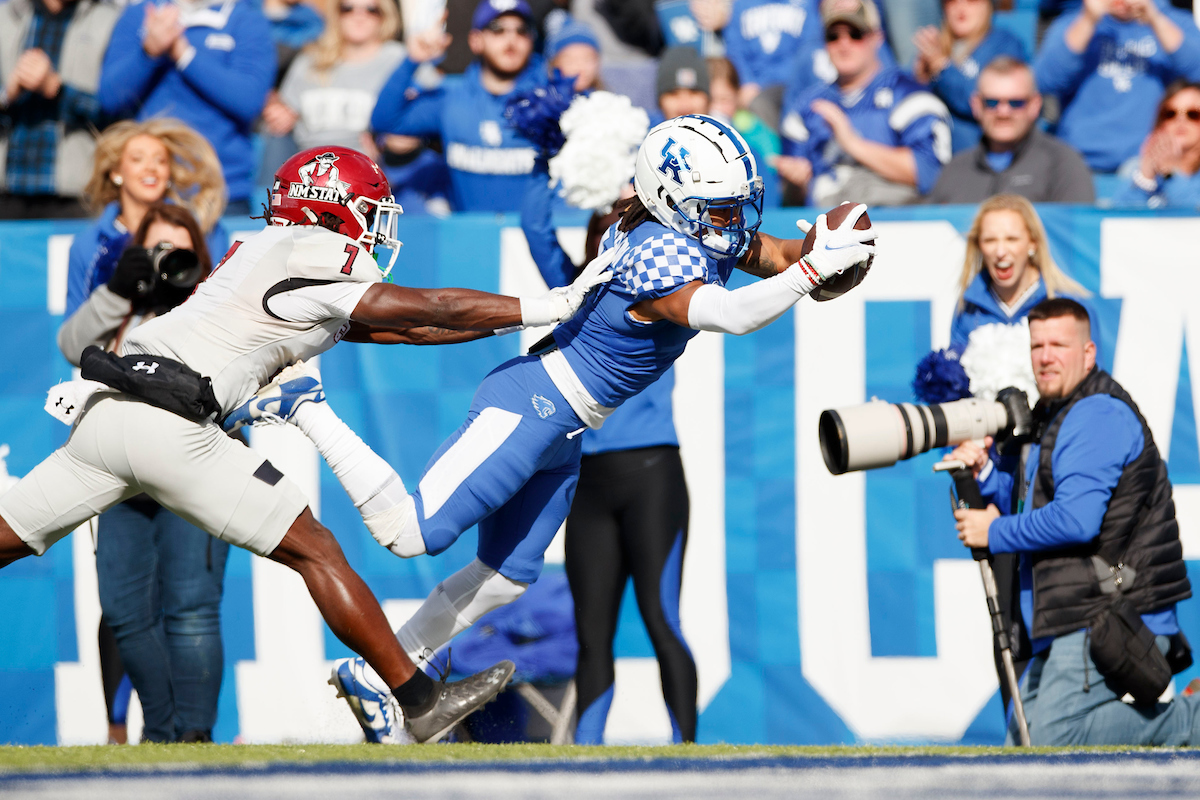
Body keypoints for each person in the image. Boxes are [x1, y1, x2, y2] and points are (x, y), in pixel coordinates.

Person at [247, 115, 876, 743]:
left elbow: (778, 256)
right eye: (718, 207)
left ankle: (376, 675)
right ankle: (308, 405)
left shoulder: (691, 226)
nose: (731, 221)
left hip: (568, 427)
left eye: (735, 205)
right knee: (411, 532)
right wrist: (811, 274)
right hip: (534, 401)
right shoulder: (657, 251)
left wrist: (832, 248)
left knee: (505, 578)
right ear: (670, 200)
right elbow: (732, 313)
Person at [0, 144, 611, 744]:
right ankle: (420, 703)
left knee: (11, 537)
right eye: (368, 210)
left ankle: (416, 701)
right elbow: (434, 306)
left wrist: (522, 318)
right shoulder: (315, 248)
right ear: (330, 209)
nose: (376, 227)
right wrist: (549, 304)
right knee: (317, 551)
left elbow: (411, 329)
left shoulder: (261, 249)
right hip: (175, 425)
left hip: (108, 411)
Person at [951, 297, 1200, 746]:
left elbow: (1076, 520)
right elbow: (1035, 502)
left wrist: (994, 531)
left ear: (1088, 353)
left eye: (1059, 345)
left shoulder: (1096, 413)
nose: (1045, 356)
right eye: (1037, 345)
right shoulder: (1055, 413)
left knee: (1051, 739)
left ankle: (1191, 719)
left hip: (1116, 614)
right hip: (1080, 613)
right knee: (1022, 745)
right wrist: (985, 474)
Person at [58, 202, 228, 743]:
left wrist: (190, 300)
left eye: (181, 251)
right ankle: (161, 732)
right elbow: (70, 346)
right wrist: (117, 291)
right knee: (124, 610)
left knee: (192, 609)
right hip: (119, 476)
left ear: (200, 258)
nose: (170, 261)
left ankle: (193, 737)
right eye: (159, 250)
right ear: (139, 254)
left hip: (197, 468)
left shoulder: (220, 306)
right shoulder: (122, 304)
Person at [98, 0, 277, 214]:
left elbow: (249, 100)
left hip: (223, 191)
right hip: (150, 190)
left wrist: (185, 56)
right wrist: (149, 53)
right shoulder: (142, 13)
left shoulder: (246, 18)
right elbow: (110, 98)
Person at [369, 0, 546, 212]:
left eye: (522, 30)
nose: (511, 39)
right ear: (475, 40)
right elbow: (385, 120)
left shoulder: (549, 100)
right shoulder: (451, 96)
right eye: (497, 29)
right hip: (465, 230)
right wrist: (412, 60)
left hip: (532, 231)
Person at [777, 0, 951, 206]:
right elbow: (793, 200)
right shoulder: (808, 107)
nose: (844, 45)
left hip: (893, 218)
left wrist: (852, 143)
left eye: (855, 34)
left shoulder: (909, 96)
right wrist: (796, 182)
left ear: (877, 38)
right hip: (825, 218)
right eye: (833, 36)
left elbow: (930, 173)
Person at [65, 118, 228, 322]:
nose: (151, 167)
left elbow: (225, 307)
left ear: (169, 173)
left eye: (160, 160)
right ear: (116, 172)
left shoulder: (204, 230)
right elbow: (73, 334)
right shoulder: (88, 245)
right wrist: (116, 291)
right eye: (137, 159)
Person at [1035, 0, 1200, 174]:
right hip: (1078, 158)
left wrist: (1156, 19)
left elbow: (1197, 74)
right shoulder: (1072, 22)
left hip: (1147, 159)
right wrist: (1088, 20)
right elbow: (1044, 82)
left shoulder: (1175, 21)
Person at [0, 0, 121, 219]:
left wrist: (57, 89)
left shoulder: (110, 20)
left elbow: (119, 113)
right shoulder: (6, 17)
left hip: (75, 194)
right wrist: (7, 95)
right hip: (8, 190)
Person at [926, 57, 1095, 204]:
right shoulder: (954, 171)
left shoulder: (1063, 164)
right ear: (976, 105)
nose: (1003, 112)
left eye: (1016, 103)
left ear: (1035, 105)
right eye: (992, 102)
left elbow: (1078, 227)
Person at [950, 194, 1093, 356]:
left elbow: (1090, 370)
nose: (1000, 251)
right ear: (979, 245)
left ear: (1033, 242)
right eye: (990, 240)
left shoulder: (1071, 305)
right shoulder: (967, 308)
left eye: (1012, 239)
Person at [266, 0, 404, 155]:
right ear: (336, 14)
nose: (359, 17)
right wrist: (279, 113)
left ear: (384, 15)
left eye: (371, 10)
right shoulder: (311, 59)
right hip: (309, 160)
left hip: (366, 161)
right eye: (348, 9)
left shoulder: (398, 60)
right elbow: (284, 109)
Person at [911, 0, 1028, 154]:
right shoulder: (937, 46)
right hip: (931, 155)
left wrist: (942, 67)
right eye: (952, 1)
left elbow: (984, 102)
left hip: (980, 156)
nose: (961, 7)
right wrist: (920, 79)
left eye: (972, 0)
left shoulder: (1004, 44)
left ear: (989, 5)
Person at [722, 0, 825, 131]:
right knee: (755, 104)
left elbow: (810, 45)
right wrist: (746, 82)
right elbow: (734, 49)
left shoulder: (807, 4)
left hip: (795, 84)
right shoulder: (742, 4)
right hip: (755, 88)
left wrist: (795, 83)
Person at [1112, 79, 1200, 207]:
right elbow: (1118, 215)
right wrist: (1146, 178)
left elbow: (1193, 213)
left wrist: (1171, 175)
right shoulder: (1135, 167)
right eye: (1170, 113)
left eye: (1193, 114)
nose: (1180, 120)